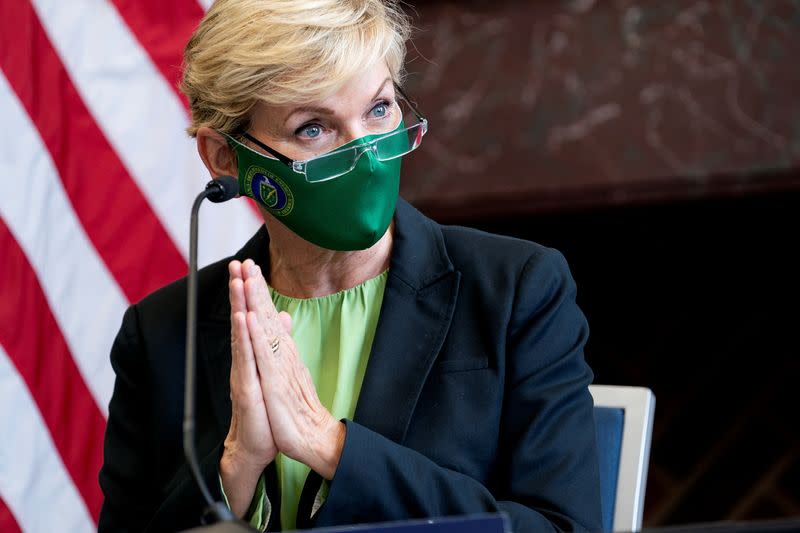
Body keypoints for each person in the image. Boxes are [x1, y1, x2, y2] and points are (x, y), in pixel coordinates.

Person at [98, 0, 602, 531]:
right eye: (314, 128)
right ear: (225, 158)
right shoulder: (158, 333)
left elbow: (561, 527)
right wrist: (236, 469)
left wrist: (332, 446)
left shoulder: (517, 290)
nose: (366, 153)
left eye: (379, 109)